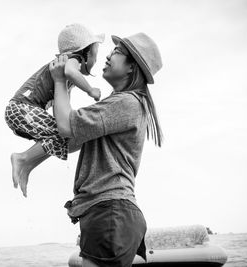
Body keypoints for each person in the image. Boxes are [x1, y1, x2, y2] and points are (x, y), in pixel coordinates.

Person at [49, 32, 163, 267]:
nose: (109, 54)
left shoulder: (125, 103)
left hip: (109, 212)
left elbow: (65, 126)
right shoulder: (121, 105)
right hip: (112, 212)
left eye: (118, 52)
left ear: (133, 67)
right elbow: (69, 142)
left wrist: (60, 81)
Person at [5, 23, 104, 197]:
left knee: (63, 135)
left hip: (20, 110)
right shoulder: (73, 59)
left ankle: (27, 165)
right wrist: (90, 90)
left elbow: (62, 113)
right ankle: (22, 159)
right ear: (86, 51)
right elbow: (72, 72)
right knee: (66, 134)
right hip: (22, 108)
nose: (96, 59)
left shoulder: (65, 71)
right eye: (96, 52)